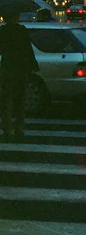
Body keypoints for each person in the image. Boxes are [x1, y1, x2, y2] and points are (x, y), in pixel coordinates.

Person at [0, 9, 39, 142]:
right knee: (20, 97)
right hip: (21, 66)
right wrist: (33, 64)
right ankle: (19, 126)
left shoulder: (2, 31)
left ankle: (7, 126)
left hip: (7, 66)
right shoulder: (21, 30)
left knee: (7, 98)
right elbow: (28, 48)